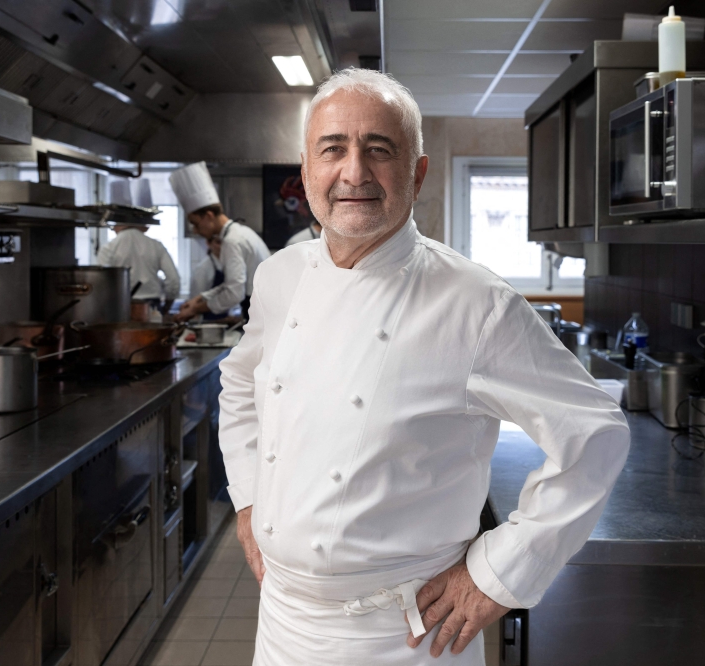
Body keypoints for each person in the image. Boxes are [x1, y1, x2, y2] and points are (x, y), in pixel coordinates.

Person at [218, 68, 630, 665]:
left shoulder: (475, 304)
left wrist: (497, 574)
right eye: (332, 149)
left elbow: (595, 432)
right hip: (282, 624)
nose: (353, 172)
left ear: (418, 173)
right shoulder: (281, 276)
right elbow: (238, 383)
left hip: (405, 633)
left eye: (378, 150)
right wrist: (251, 498)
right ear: (306, 172)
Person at [168, 161, 270, 322]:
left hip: (261, 313)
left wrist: (197, 308)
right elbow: (233, 284)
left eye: (195, 223)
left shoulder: (231, 241)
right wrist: (201, 297)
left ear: (208, 216)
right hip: (262, 311)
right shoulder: (240, 232)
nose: (195, 230)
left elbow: (234, 293)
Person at [97, 223, 180, 314]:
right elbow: (173, 280)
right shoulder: (156, 245)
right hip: (151, 306)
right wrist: (167, 306)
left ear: (118, 224)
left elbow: (101, 282)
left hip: (120, 306)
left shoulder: (108, 248)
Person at [189, 235, 229, 321]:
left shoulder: (229, 265)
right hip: (208, 320)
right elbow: (197, 299)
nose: (222, 246)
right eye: (218, 243)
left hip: (226, 319)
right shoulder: (203, 268)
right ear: (209, 244)